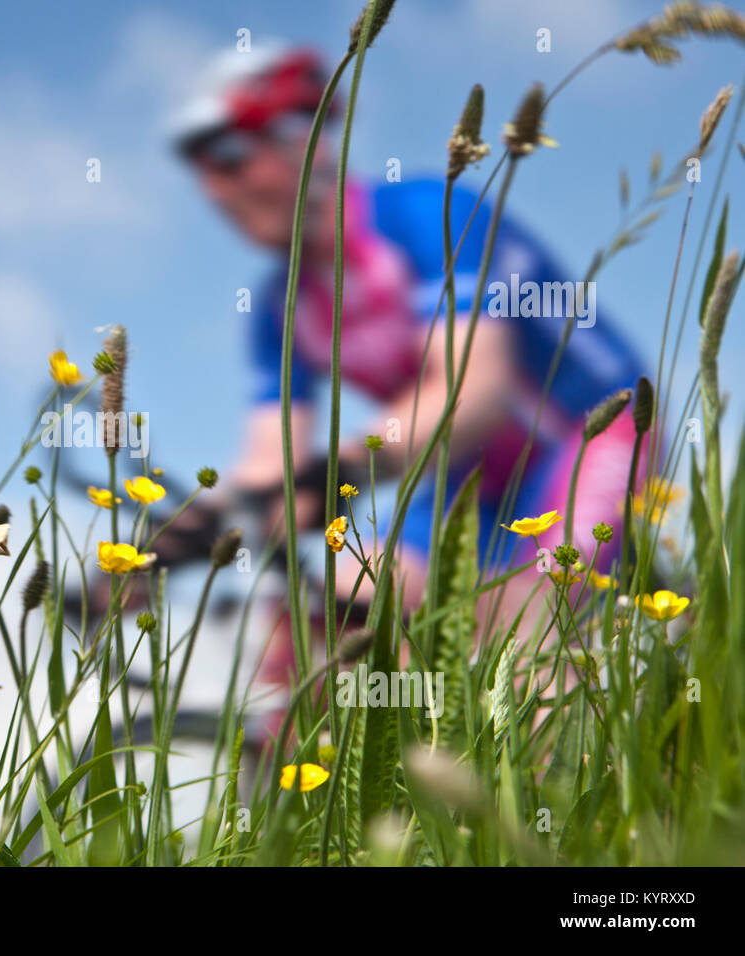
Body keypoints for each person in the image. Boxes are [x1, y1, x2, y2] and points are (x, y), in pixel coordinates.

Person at [156, 44, 650, 616]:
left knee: (529, 628)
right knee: (337, 612)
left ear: (302, 142)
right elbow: (271, 464)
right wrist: (167, 546)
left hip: (589, 432)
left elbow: (475, 393)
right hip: (470, 468)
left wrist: (341, 471)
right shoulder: (279, 307)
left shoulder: (423, 213)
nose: (215, 191)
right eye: (201, 173)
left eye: (230, 155)